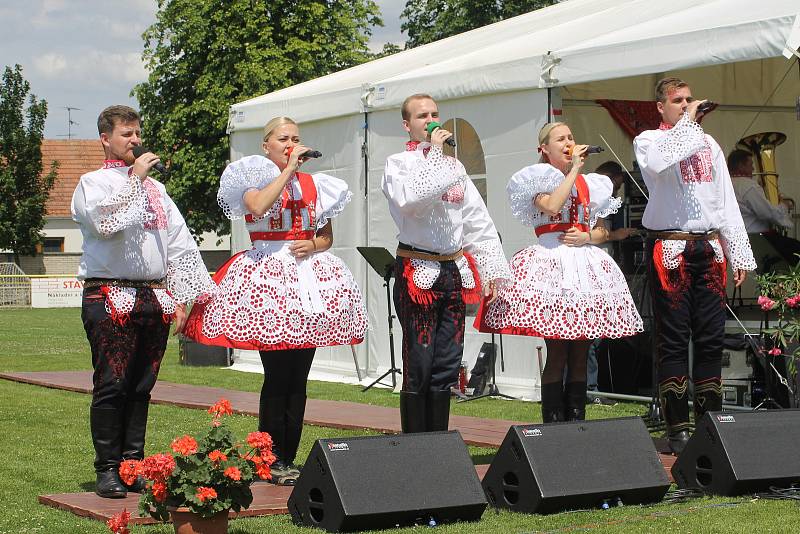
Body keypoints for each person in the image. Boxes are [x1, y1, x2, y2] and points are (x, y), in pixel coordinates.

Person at [184, 117, 367, 485]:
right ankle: (267, 458)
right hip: (268, 277)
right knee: (277, 375)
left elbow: (327, 235)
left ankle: (287, 457)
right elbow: (260, 206)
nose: (291, 144)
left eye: (296, 138)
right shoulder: (252, 177)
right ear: (266, 145)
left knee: (299, 376)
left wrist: (313, 244)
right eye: (283, 139)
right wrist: (287, 172)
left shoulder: (317, 185)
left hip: (307, 280)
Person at [72, 105, 216, 498]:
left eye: (137, 133)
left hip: (154, 294)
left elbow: (178, 241)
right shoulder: (92, 184)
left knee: (141, 385)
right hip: (109, 293)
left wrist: (183, 294)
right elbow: (105, 225)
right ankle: (106, 470)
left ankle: (131, 466)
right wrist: (134, 179)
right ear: (105, 138)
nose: (135, 140)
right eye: (126, 134)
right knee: (112, 384)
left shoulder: (156, 189)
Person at [478, 122, 643, 422]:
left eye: (571, 136)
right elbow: (553, 206)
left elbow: (602, 231)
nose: (568, 142)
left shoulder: (592, 184)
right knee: (557, 352)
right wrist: (574, 170)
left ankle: (576, 420)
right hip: (551, 265)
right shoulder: (537, 178)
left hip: (583, 266)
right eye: (560, 139)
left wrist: (587, 237)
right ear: (544, 148)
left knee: (580, 352)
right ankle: (553, 422)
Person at [633, 77, 756, 454]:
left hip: (708, 247)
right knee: (672, 338)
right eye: (678, 100)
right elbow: (658, 163)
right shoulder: (649, 139)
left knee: (710, 338)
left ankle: (710, 426)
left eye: (689, 99)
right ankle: (677, 430)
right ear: (661, 106)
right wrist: (687, 121)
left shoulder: (709, 143)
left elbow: (725, 200)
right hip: (671, 246)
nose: (686, 104)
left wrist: (737, 250)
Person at [382, 94, 511, 433]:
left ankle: (437, 443)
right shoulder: (399, 163)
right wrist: (436, 154)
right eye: (422, 115)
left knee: (448, 363)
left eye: (435, 114)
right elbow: (413, 201)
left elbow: (476, 219)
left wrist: (491, 268)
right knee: (420, 360)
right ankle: (415, 442)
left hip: (453, 270)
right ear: (407, 125)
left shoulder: (455, 167)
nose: (431, 120)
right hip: (417, 270)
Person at [728, 149, 799, 269]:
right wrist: (784, 205)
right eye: (750, 164)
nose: (753, 169)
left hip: (738, 240)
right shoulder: (747, 185)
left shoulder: (727, 184)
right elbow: (767, 213)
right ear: (741, 166)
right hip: (758, 239)